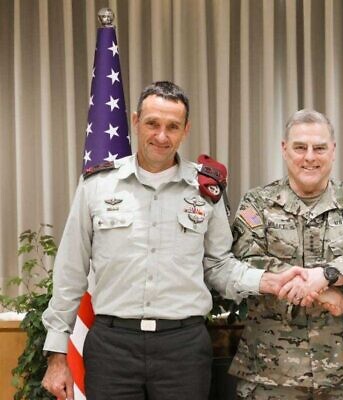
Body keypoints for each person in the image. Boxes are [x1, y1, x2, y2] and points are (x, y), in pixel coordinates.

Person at [41, 81, 306, 400]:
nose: (162, 136)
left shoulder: (205, 190)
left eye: (172, 126)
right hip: (112, 347)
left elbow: (219, 267)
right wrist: (57, 356)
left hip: (182, 348)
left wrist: (268, 282)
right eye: (153, 124)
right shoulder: (98, 185)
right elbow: (70, 272)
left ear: (186, 130)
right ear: (137, 121)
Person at [229, 109, 343, 399]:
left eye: (319, 148)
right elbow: (245, 256)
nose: (309, 157)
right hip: (271, 373)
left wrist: (326, 275)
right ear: (284, 149)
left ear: (333, 151)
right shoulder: (256, 202)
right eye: (300, 147)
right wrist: (322, 289)